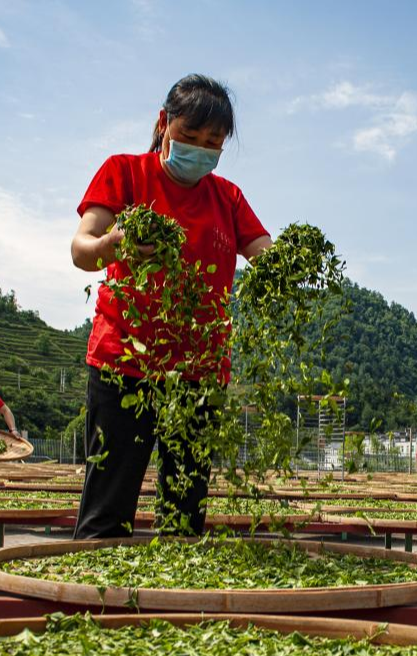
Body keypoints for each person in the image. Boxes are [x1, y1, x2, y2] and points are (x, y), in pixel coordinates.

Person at [70, 74, 272, 539]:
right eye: (189, 136)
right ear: (163, 124)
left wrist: (282, 267)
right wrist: (113, 246)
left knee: (184, 515)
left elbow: (265, 252)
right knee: (107, 509)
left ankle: (172, 608)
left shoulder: (228, 197)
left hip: (198, 374)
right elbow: (81, 249)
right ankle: (96, 606)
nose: (200, 149)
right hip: (125, 362)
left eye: (212, 143)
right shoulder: (125, 172)